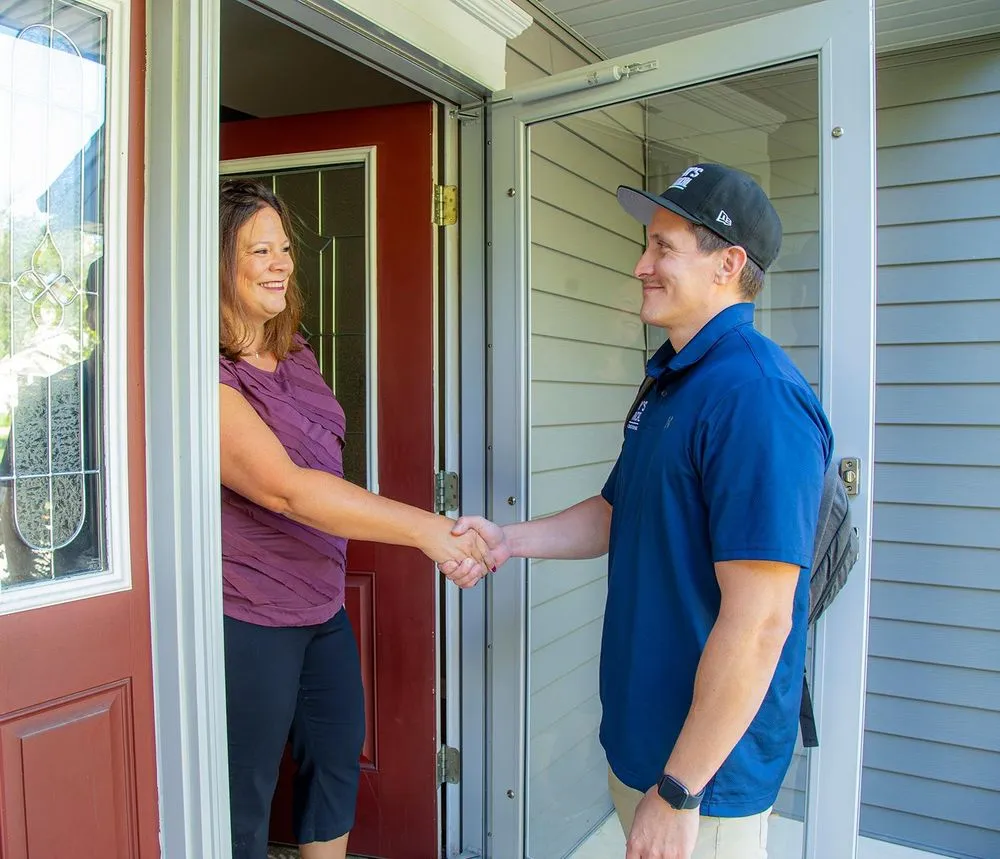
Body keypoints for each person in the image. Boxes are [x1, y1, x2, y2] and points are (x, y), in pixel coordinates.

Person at [447, 164, 833, 859]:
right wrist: (507, 539)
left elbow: (761, 621)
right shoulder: (674, 381)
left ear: (728, 264)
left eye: (662, 248)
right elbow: (617, 511)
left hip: (703, 776)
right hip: (644, 740)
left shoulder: (757, 396)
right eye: (646, 246)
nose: (640, 265)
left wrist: (680, 790)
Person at [217, 179, 493, 859]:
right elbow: (286, 489)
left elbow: (323, 464)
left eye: (285, 247)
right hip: (246, 610)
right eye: (260, 249)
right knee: (241, 794)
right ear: (216, 263)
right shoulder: (203, 378)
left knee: (336, 759)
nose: (282, 261)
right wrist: (431, 531)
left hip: (321, 600)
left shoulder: (297, 351)